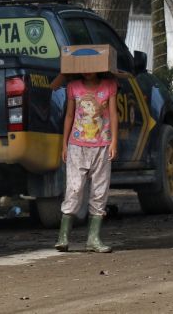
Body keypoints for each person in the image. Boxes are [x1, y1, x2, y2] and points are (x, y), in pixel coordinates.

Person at [55, 71, 118, 253]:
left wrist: (114, 141)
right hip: (77, 146)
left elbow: (113, 115)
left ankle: (93, 239)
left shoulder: (109, 85)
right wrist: (65, 144)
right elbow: (69, 115)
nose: (87, 70)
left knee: (100, 190)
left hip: (103, 146)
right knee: (74, 188)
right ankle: (63, 237)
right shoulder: (73, 87)